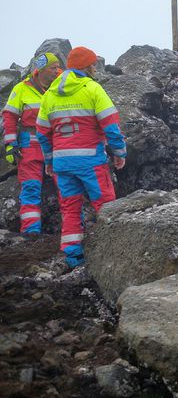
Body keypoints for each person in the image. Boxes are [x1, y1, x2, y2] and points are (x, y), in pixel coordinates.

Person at [36, 47, 127, 268]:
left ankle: (73, 256)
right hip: (90, 162)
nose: (95, 68)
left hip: (62, 163)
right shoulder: (92, 89)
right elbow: (111, 126)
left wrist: (49, 160)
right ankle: (115, 251)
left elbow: (42, 132)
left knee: (69, 208)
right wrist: (119, 152)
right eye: (93, 64)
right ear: (87, 67)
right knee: (106, 206)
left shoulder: (49, 94)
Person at [2, 53, 62, 235]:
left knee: (67, 188)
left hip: (58, 146)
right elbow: (9, 117)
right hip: (30, 147)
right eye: (54, 67)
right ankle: (31, 234)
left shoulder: (62, 86)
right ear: (42, 69)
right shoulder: (21, 89)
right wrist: (11, 145)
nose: (58, 71)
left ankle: (74, 230)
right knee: (30, 188)